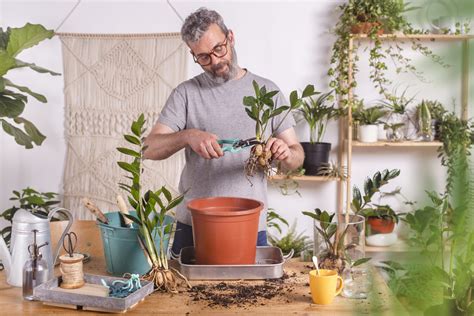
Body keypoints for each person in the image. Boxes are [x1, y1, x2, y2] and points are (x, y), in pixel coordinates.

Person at [143, 8, 304, 255]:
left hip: (250, 223)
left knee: (248, 292)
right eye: (204, 57)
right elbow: (148, 148)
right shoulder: (186, 94)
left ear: (230, 37)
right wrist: (188, 135)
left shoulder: (267, 91)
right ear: (193, 55)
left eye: (219, 49)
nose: (216, 61)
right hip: (193, 226)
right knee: (183, 293)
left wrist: (286, 152)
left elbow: (297, 157)